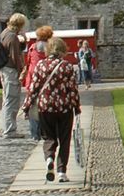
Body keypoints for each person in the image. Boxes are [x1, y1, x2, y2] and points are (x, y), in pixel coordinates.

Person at [25, 36, 82, 183]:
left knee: (49, 137)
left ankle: (49, 158)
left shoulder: (40, 65)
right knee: (64, 139)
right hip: (64, 108)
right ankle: (62, 172)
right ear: (63, 50)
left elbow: (34, 88)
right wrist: (76, 106)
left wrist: (27, 106)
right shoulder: (67, 66)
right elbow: (72, 89)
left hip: (45, 107)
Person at [0, 13, 27, 136]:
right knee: (12, 100)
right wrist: (22, 71)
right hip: (11, 71)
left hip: (4, 69)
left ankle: (7, 126)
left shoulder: (4, 33)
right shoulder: (12, 37)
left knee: (7, 100)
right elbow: (16, 57)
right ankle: (9, 129)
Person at [21, 24, 52, 138]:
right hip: (45, 79)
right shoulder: (50, 47)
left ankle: (35, 133)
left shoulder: (32, 47)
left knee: (33, 104)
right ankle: (45, 132)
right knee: (45, 105)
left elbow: (28, 62)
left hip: (33, 79)